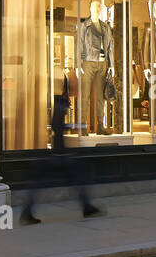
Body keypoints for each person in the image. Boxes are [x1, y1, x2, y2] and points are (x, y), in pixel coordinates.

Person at [22, 79, 102, 224]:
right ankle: (87, 207)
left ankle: (87, 207)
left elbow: (57, 126)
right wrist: (72, 126)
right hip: (59, 155)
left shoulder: (61, 103)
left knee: (70, 180)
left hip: (59, 154)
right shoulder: (61, 104)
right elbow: (56, 126)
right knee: (76, 179)